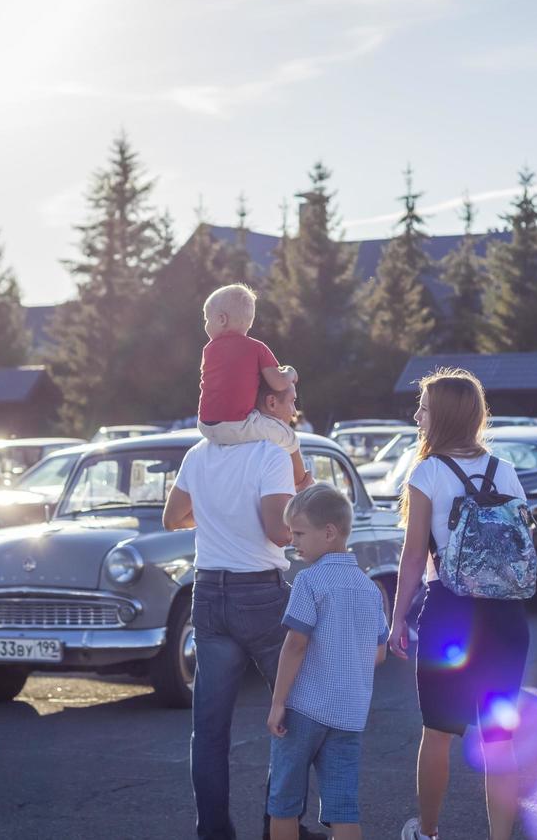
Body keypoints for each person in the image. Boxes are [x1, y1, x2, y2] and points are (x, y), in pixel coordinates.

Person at [163, 379, 324, 840]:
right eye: (291, 399)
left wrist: (218, 515)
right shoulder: (271, 454)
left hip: (208, 593)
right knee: (296, 710)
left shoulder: (198, 453)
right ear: (269, 404)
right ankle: (280, 828)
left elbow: (172, 517)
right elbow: (278, 531)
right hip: (260, 596)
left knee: (209, 730)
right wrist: (305, 501)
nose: (296, 407)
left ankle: (214, 832)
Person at [389, 369, 530, 840]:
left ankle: (427, 833)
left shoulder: (427, 472)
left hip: (451, 612)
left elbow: (413, 558)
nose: (418, 416)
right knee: (499, 741)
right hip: (506, 615)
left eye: (424, 408)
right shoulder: (504, 469)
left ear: (443, 416)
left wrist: (396, 621)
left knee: (439, 732)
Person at [266, 484, 388, 840]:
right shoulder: (370, 589)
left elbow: (295, 646)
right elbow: (377, 654)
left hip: (303, 709)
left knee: (284, 802)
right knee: (342, 808)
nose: (293, 542)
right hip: (349, 714)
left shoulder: (309, 581)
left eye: (300, 533)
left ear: (329, 533)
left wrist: (277, 703)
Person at [198, 283, 311, 490]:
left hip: (205, 425)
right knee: (290, 437)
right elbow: (277, 382)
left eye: (206, 319)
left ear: (222, 319)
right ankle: (302, 482)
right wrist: (291, 372)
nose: (205, 325)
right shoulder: (257, 348)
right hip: (236, 425)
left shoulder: (208, 350)